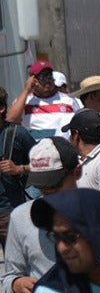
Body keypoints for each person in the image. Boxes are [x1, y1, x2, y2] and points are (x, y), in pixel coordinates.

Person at [1, 137, 86, 293]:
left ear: (77, 172)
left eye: (54, 183)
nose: (48, 191)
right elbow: (9, 277)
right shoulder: (20, 217)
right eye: (41, 185)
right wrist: (16, 284)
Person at [7, 60, 80, 139]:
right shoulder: (25, 101)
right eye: (42, 76)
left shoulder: (69, 101)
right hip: (35, 148)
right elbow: (10, 119)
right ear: (34, 80)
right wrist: (26, 90)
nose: (47, 80)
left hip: (62, 147)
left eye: (49, 75)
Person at [0, 86, 32, 251]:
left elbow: (41, 165)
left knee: (16, 269)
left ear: (2, 108)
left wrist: (19, 169)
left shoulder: (17, 134)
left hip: (9, 212)